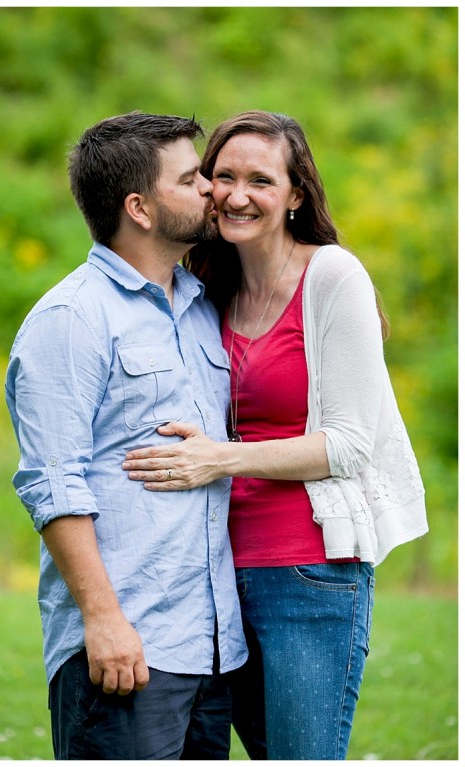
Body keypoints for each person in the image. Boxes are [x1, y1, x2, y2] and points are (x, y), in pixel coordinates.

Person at [121, 110, 428, 760]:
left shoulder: (333, 277)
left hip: (307, 573)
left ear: (295, 194)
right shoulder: (207, 288)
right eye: (221, 176)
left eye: (259, 179)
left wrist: (219, 460)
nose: (236, 194)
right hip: (210, 573)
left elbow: (350, 442)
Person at [5, 111, 247, 760]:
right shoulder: (71, 317)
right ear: (140, 207)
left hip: (208, 647)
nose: (210, 190)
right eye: (192, 177)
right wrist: (104, 619)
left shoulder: (200, 309)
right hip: (124, 645)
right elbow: (52, 481)